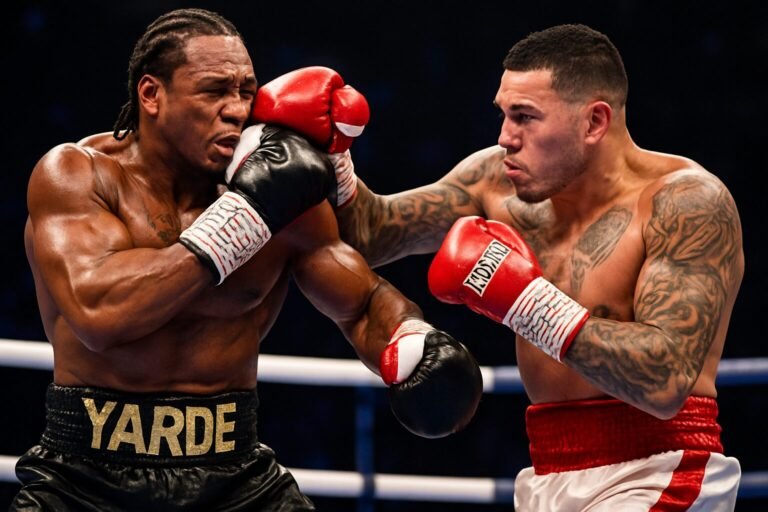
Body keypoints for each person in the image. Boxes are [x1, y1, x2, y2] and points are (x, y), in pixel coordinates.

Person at [13, 8, 483, 511]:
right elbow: (99, 313)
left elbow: (362, 300)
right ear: (151, 95)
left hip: (234, 475)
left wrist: (410, 341)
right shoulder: (77, 176)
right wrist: (244, 218)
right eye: (215, 91)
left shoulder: (275, 186)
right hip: (85, 479)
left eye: (245, 91)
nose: (237, 109)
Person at [273, 23, 743, 510]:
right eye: (503, 115)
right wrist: (335, 157)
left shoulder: (685, 203)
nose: (505, 138)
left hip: (661, 468)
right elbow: (371, 234)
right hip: (548, 470)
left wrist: (524, 301)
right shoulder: (494, 179)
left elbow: (665, 383)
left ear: (594, 122)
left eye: (525, 117)